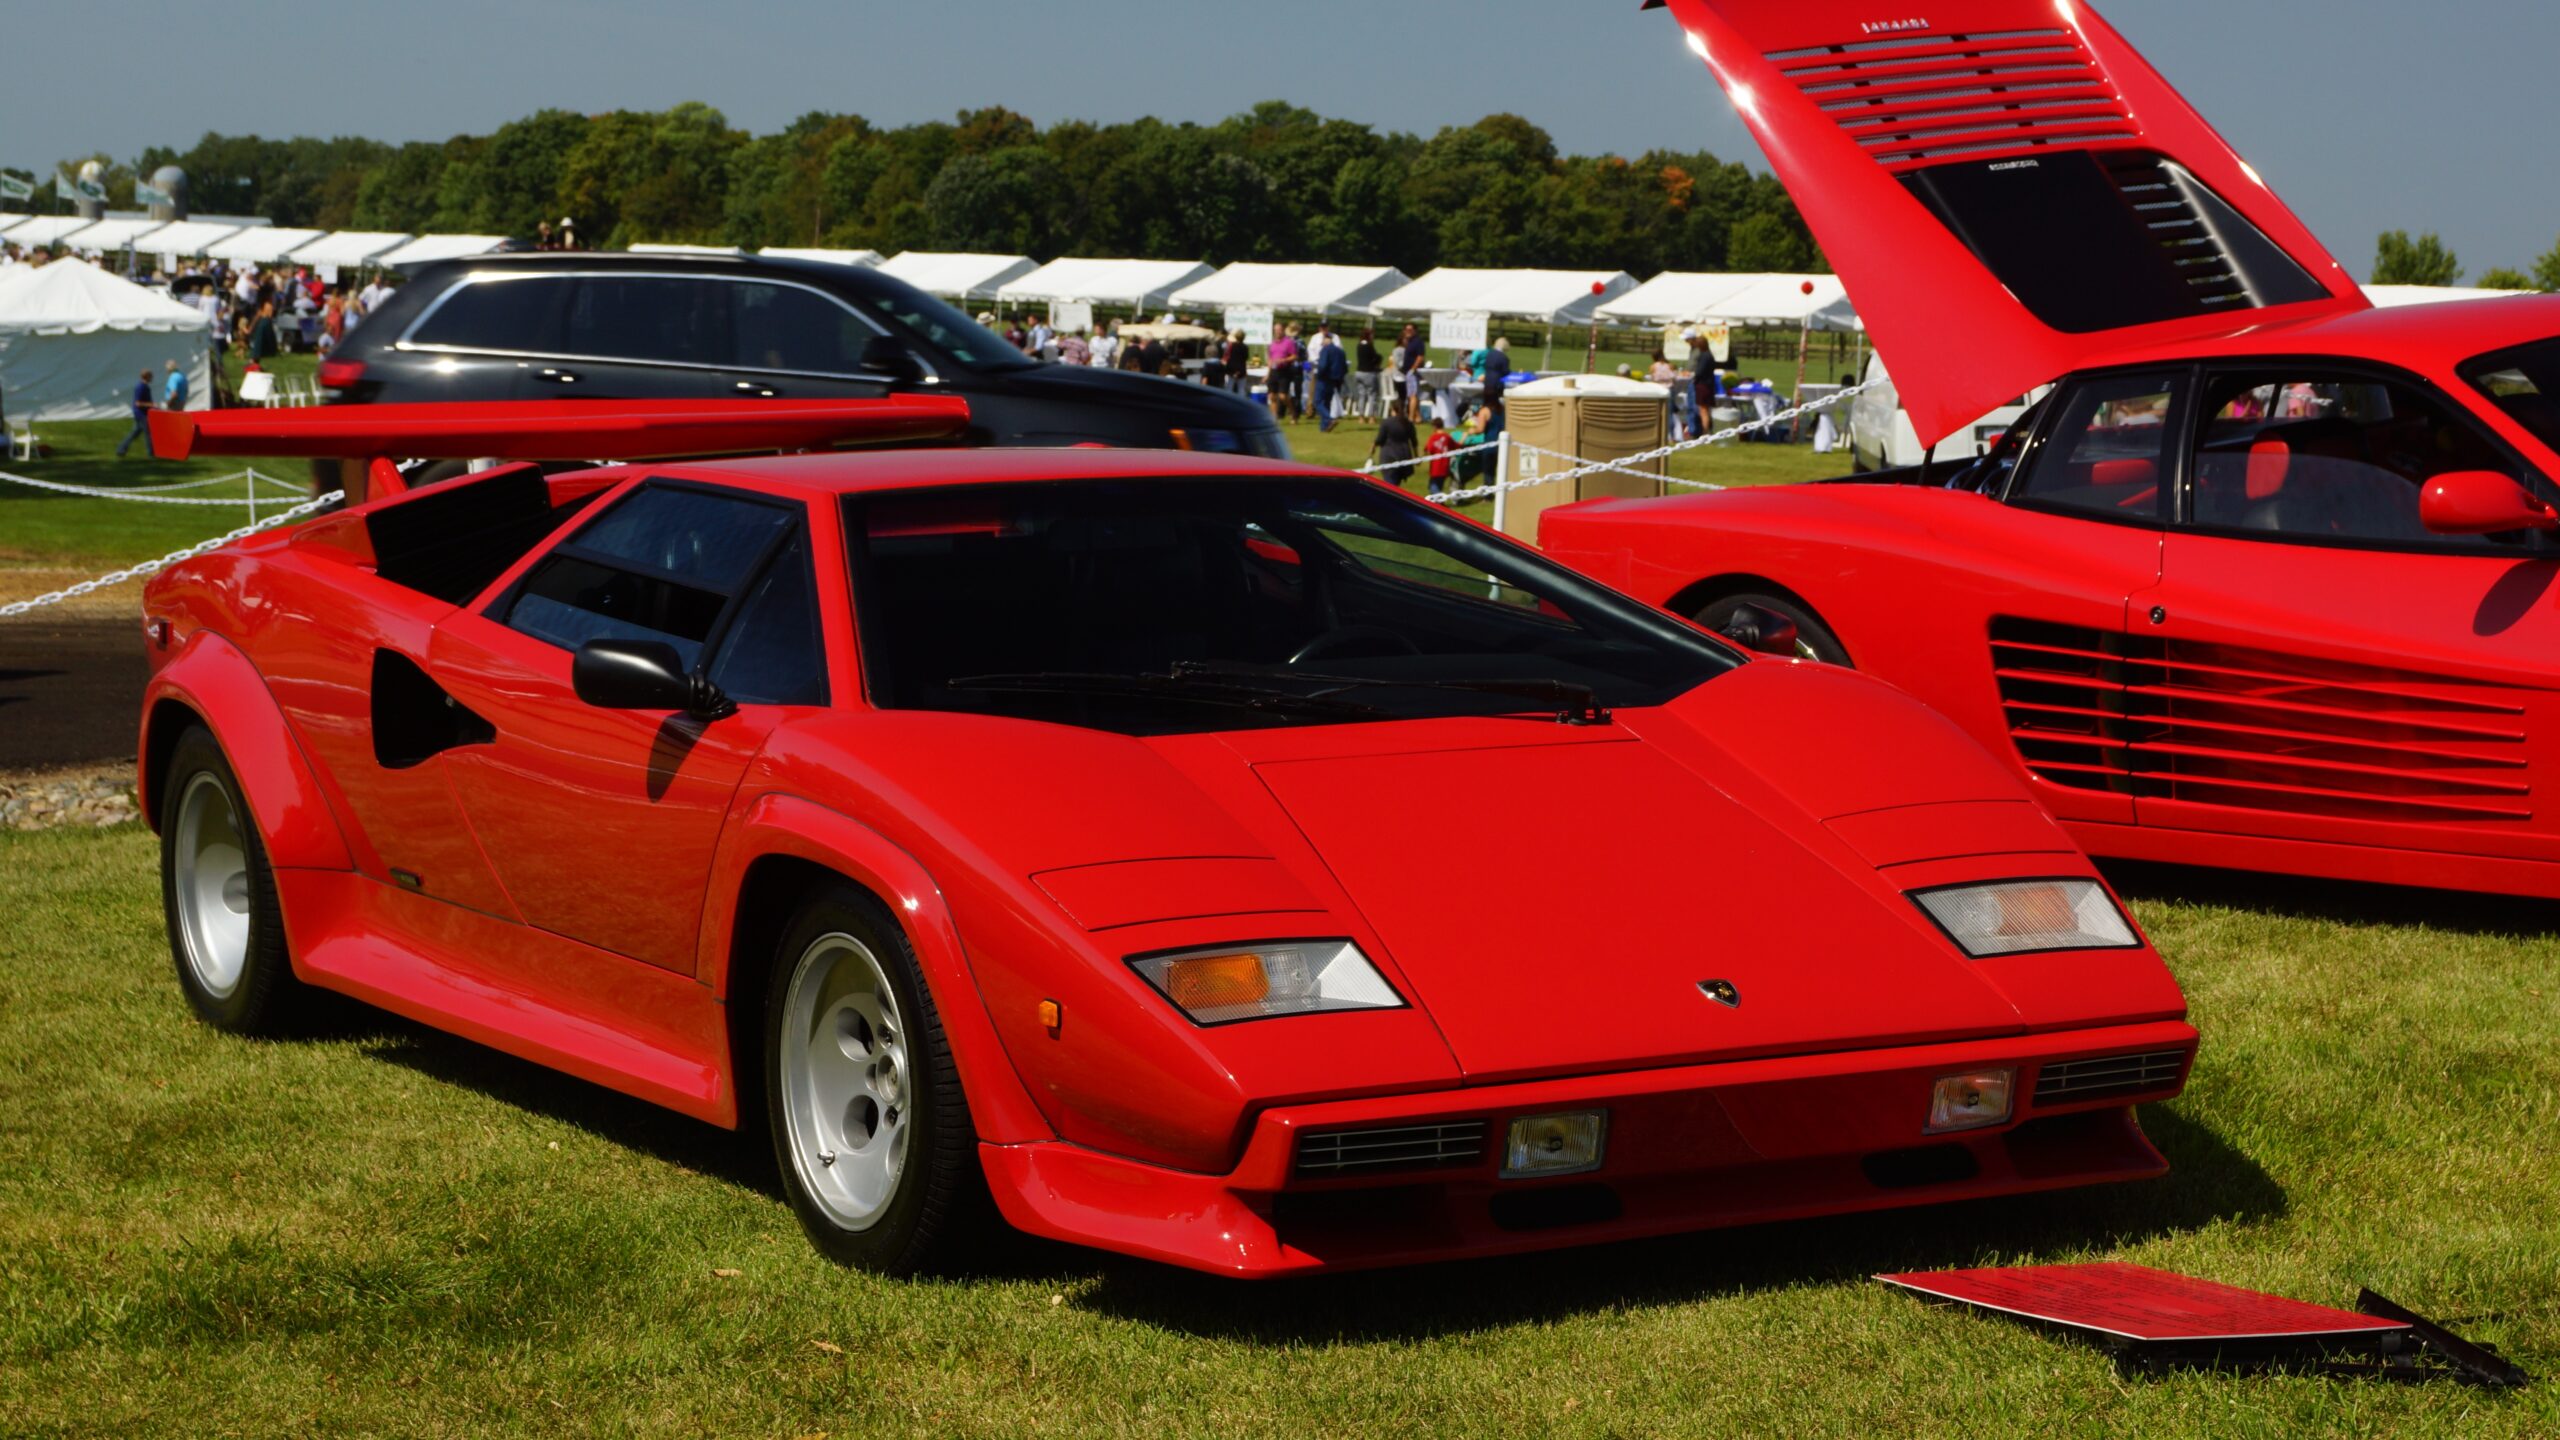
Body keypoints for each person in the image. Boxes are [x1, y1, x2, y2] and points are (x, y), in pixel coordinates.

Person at [1311, 323, 1349, 433]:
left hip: (1324, 378)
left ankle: (1329, 419)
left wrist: (1319, 373)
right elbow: (1344, 367)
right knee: (1326, 402)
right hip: (1334, 380)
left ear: (1327, 340)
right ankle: (1324, 426)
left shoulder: (1325, 350)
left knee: (1317, 401)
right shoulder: (1340, 351)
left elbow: (1323, 365)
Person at [1479, 336, 1514, 445]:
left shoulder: (1489, 354)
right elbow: (1506, 372)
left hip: (1487, 382)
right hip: (1497, 384)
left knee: (1487, 403)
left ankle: (1484, 421)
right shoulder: (1503, 358)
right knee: (1496, 405)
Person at [1368, 403, 1417, 477]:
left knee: (1390, 481)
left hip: (1389, 457)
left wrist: (1372, 448)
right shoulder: (1408, 423)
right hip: (1404, 456)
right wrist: (1416, 457)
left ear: (1393, 410)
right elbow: (1414, 442)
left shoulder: (1386, 423)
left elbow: (1380, 439)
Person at [116, 370, 156, 458]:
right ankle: (151, 453)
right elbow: (138, 403)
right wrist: (152, 405)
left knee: (135, 432)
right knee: (148, 433)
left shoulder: (144, 387)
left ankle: (121, 449)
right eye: (151, 376)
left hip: (141, 413)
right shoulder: (141, 387)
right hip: (141, 414)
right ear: (147, 377)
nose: (152, 378)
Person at [1422, 417, 1456, 496]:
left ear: (1435, 426)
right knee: (1439, 485)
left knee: (1433, 487)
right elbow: (1455, 446)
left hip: (1436, 467)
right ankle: (1439, 501)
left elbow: (1429, 449)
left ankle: (1440, 503)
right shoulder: (1447, 437)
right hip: (1445, 466)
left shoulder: (1433, 437)